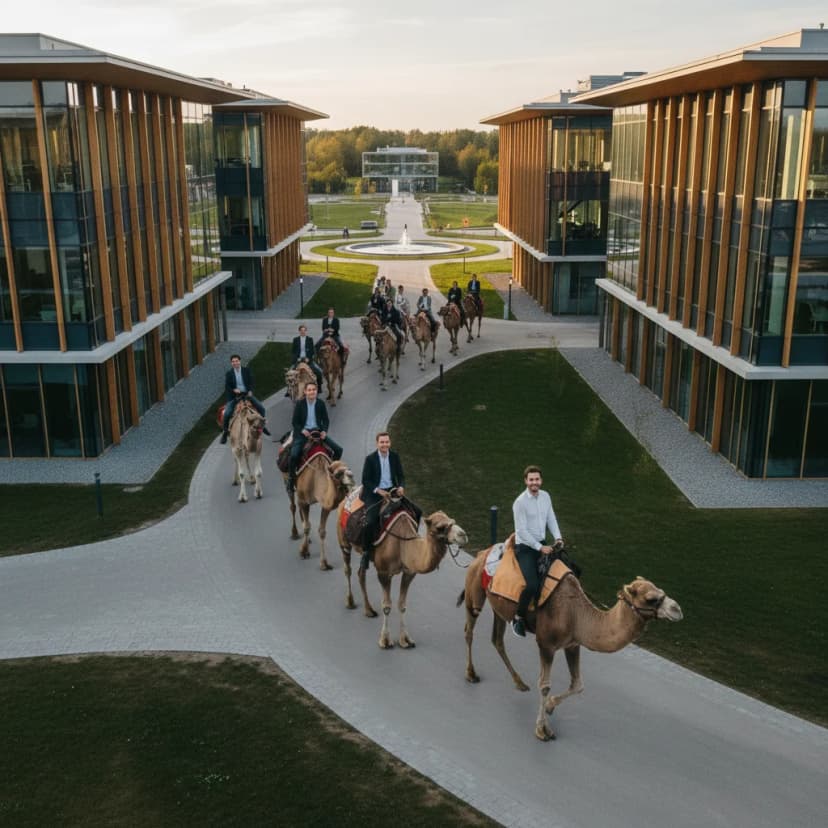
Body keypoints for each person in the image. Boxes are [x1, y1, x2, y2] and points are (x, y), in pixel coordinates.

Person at [511, 465, 564, 638]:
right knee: (532, 584)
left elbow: (551, 518)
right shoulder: (519, 503)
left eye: (537, 479)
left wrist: (558, 538)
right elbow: (522, 532)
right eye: (531, 479)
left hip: (541, 543)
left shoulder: (546, 496)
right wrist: (540, 547)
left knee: (562, 572)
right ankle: (518, 618)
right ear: (526, 481)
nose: (534, 482)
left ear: (541, 480)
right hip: (525, 547)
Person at [360, 431, 406, 570]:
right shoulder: (370, 459)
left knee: (415, 512)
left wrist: (401, 487)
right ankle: (366, 553)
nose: (385, 444)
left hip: (392, 491)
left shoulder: (395, 457)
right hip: (375, 493)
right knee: (370, 521)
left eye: (387, 442)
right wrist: (378, 490)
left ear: (390, 443)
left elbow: (401, 476)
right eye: (382, 442)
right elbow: (365, 480)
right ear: (377, 443)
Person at [287, 381, 343, 492]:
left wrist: (324, 431)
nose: (312, 392)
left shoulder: (320, 403)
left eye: (314, 390)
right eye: (309, 390)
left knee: (338, 450)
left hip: (317, 433)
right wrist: (302, 430)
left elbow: (326, 420)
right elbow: (295, 422)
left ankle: (332, 472)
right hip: (304, 434)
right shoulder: (300, 404)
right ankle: (291, 480)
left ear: (316, 391)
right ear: (305, 392)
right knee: (293, 455)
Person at [220, 354, 270, 444]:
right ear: (231, 363)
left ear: (240, 361)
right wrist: (234, 390)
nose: (235, 363)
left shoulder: (246, 370)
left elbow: (251, 382)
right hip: (235, 397)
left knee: (261, 408)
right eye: (233, 361)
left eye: (236, 361)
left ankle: (262, 426)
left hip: (247, 395)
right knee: (227, 413)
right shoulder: (229, 373)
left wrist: (250, 390)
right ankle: (225, 432)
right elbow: (227, 386)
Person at [290, 324, 323, 394]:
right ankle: (289, 390)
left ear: (306, 331)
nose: (303, 332)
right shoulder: (295, 340)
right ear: (299, 331)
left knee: (319, 372)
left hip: (307, 360)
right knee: (289, 374)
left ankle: (319, 387)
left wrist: (309, 358)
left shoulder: (310, 339)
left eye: (304, 330)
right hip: (299, 360)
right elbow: (293, 352)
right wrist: (296, 359)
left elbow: (312, 352)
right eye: (301, 330)